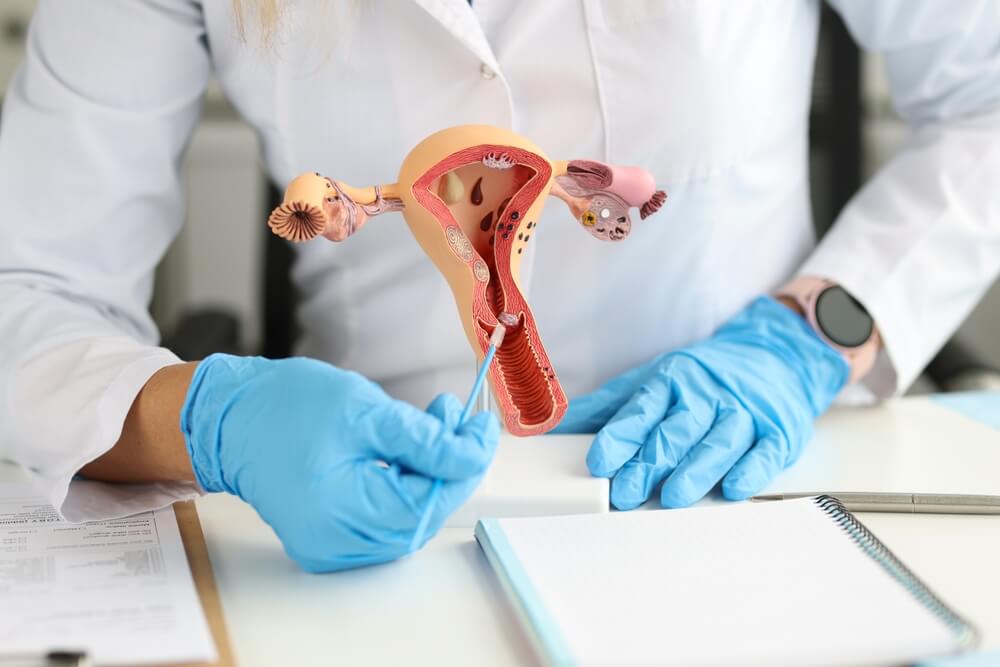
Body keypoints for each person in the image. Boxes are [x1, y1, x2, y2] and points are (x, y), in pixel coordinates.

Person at [1, 0, 998, 573]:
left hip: (746, 486)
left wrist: (807, 336)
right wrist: (210, 420)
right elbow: (33, 282)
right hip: (379, 518)